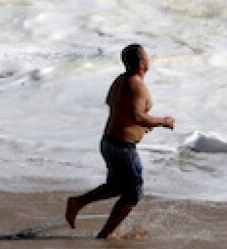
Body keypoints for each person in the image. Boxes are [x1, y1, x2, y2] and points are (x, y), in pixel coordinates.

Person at [64, 43, 175, 239]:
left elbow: (115, 105)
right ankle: (104, 234)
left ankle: (78, 203)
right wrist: (163, 121)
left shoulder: (121, 80)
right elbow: (138, 116)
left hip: (109, 142)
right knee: (133, 193)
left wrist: (139, 125)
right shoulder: (136, 85)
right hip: (122, 147)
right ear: (142, 63)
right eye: (147, 57)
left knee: (117, 186)